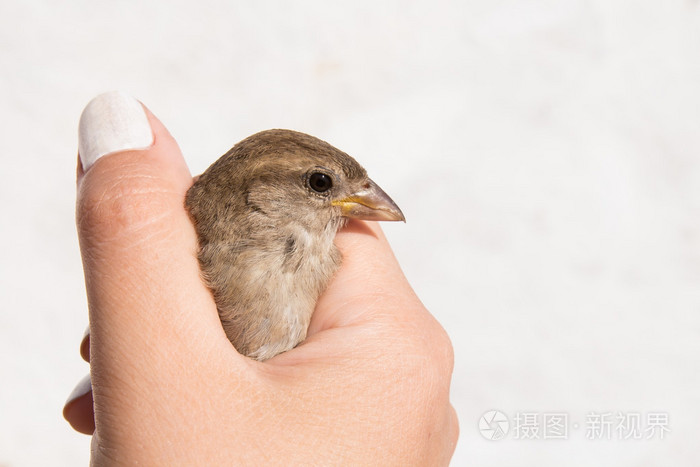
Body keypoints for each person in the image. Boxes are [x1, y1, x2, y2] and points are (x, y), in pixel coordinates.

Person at [62, 92, 458, 465]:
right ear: (257, 194)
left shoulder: (327, 263)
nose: (372, 201)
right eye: (321, 185)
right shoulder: (199, 254)